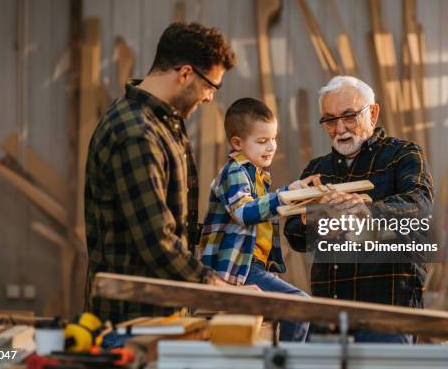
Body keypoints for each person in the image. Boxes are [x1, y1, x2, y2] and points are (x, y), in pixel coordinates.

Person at [84, 22, 236, 323]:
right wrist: (222, 291)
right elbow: (157, 242)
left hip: (159, 313)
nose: (209, 98)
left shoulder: (161, 122)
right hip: (132, 321)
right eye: (210, 87)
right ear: (185, 74)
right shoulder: (136, 134)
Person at [284, 76, 434, 343]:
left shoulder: (403, 155)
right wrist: (321, 226)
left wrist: (369, 211)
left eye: (349, 116)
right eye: (329, 120)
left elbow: (420, 204)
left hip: (387, 310)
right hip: (329, 312)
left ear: (373, 113)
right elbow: (295, 234)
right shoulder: (317, 170)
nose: (340, 128)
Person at [200, 98, 317, 342]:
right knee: (299, 306)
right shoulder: (234, 172)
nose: (271, 146)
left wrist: (293, 192)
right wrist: (284, 197)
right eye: (262, 141)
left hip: (253, 267)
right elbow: (244, 213)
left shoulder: (257, 175)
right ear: (237, 143)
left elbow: (264, 206)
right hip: (236, 270)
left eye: (274, 138)